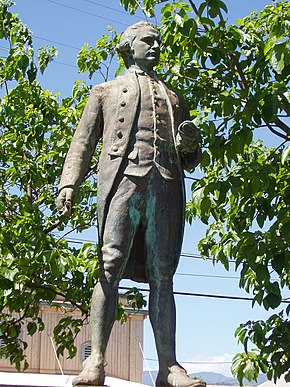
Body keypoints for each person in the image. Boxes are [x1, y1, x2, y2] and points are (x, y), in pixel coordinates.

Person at [56, 21, 204, 387]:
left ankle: (169, 367)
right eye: (147, 40)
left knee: (163, 276)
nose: (155, 46)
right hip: (123, 180)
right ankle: (97, 363)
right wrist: (69, 184)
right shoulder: (105, 91)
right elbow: (82, 142)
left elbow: (191, 158)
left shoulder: (174, 96)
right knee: (110, 265)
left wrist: (189, 146)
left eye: (158, 41)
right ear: (128, 46)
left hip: (165, 183)